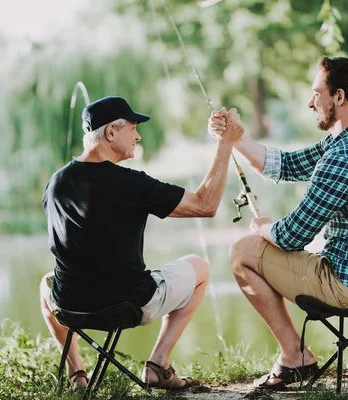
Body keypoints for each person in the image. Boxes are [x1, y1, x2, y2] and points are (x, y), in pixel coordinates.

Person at [209, 56, 348, 390]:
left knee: (242, 252)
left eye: (317, 93)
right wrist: (235, 139)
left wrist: (261, 228)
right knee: (329, 247)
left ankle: (295, 355)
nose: (310, 102)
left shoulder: (345, 156)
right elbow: (286, 165)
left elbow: (290, 236)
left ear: (339, 97)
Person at [39, 96, 244, 390]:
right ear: (111, 132)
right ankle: (158, 364)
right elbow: (205, 205)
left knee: (45, 284)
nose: (138, 135)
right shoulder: (131, 183)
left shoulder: (56, 182)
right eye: (133, 127)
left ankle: (78, 375)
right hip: (128, 305)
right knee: (200, 267)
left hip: (70, 306)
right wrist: (226, 144)